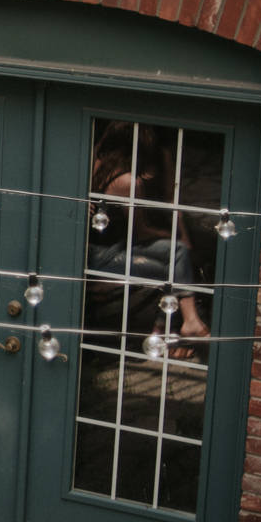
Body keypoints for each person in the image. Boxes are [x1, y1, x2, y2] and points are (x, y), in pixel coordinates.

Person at [88, 121, 210, 354]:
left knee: (178, 251)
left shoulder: (98, 166)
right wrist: (168, 233)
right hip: (104, 257)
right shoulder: (129, 183)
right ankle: (167, 329)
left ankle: (187, 322)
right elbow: (141, 233)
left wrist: (176, 239)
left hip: (113, 247)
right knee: (172, 268)